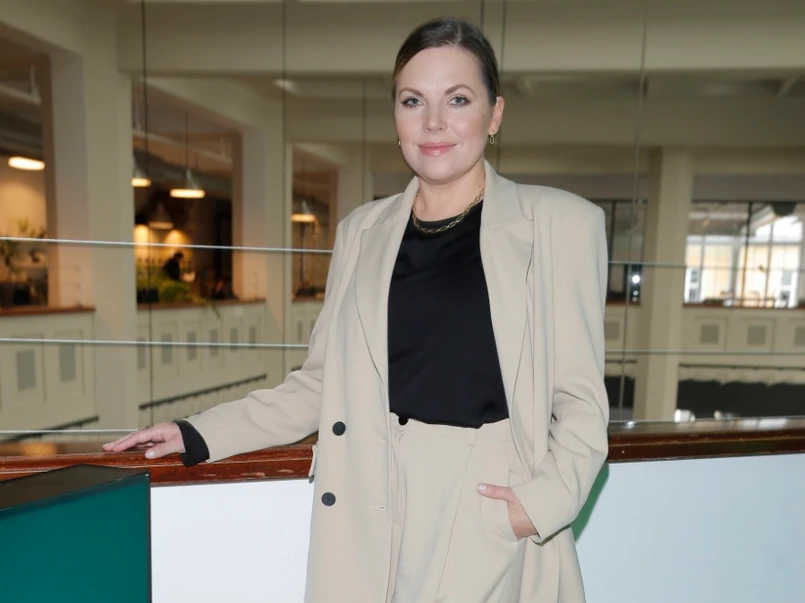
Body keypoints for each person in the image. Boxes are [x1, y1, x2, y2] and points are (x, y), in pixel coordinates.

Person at [105, 17, 609, 603]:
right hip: (370, 500)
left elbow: (581, 402)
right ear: (395, 116)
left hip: (484, 504)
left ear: (494, 114)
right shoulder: (362, 231)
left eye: (458, 100)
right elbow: (322, 384)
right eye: (413, 101)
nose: (434, 122)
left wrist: (533, 508)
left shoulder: (561, 225)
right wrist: (196, 432)